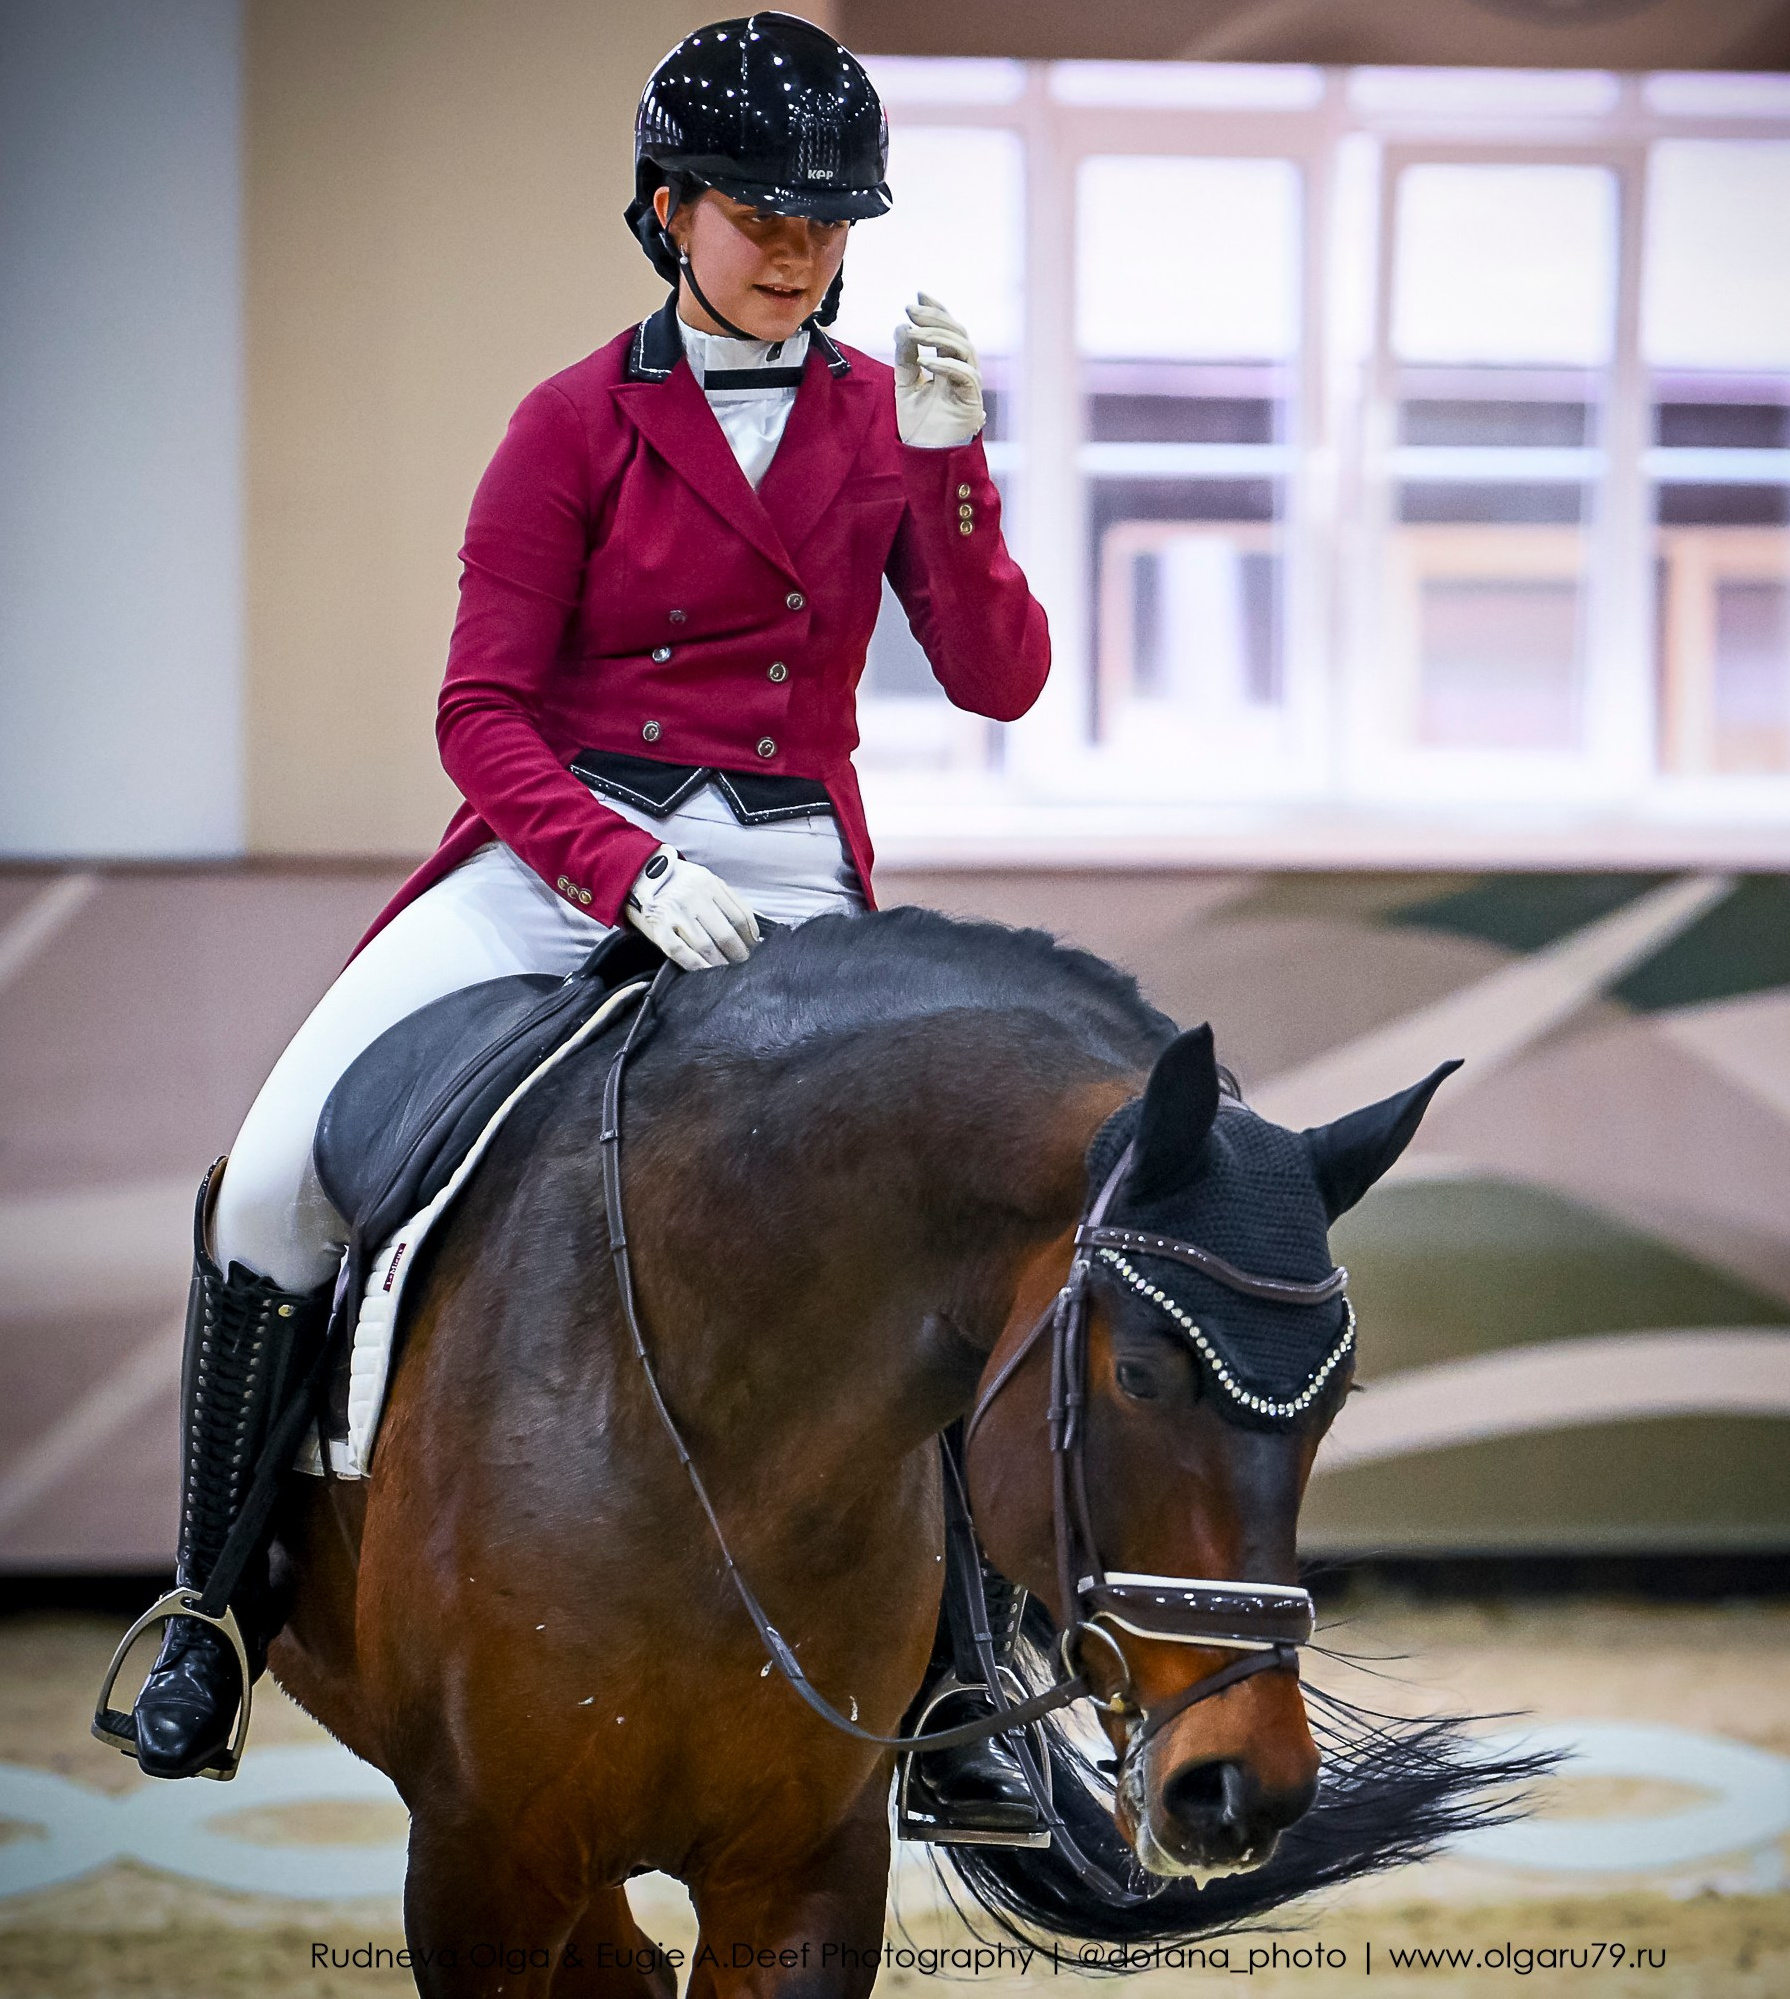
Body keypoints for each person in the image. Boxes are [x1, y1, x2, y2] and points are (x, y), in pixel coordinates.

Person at [117, 13, 1051, 1840]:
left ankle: (965, 1689)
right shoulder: (567, 423)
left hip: (790, 870)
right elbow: (479, 710)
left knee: (929, 1227)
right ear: (667, 210)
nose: (796, 246)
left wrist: (954, 472)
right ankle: (211, 1605)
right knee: (271, 1179)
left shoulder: (878, 423)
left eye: (826, 216)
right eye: (757, 210)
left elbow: (999, 677)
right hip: (564, 848)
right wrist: (617, 870)